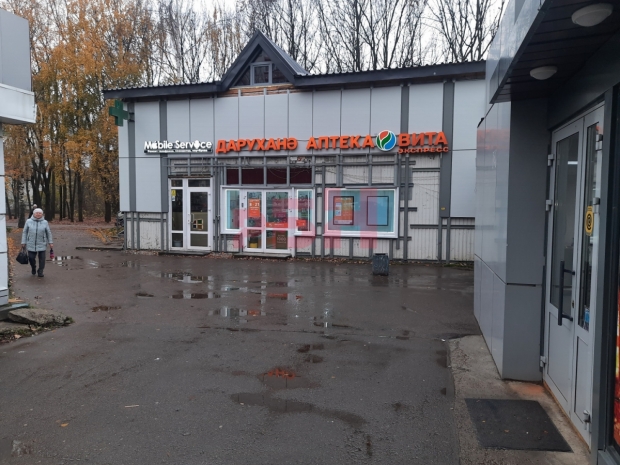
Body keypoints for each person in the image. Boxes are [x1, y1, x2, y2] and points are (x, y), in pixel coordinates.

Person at [21, 208, 53, 277]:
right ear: (34, 214)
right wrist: (23, 242)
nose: (38, 214)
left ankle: (40, 271)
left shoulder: (45, 222)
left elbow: (48, 233)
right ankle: (33, 267)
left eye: (40, 213)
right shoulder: (28, 221)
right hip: (31, 243)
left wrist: (50, 242)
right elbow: (25, 232)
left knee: (42, 259)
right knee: (31, 258)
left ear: (42, 214)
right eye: (37, 213)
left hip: (42, 243)